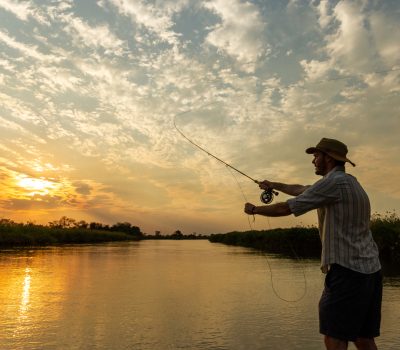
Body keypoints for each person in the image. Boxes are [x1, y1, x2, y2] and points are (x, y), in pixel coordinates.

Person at [244, 137, 382, 350]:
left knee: (334, 336)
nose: (313, 161)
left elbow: (286, 208)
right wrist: (274, 185)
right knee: (363, 338)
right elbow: (302, 189)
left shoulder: (333, 183)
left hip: (347, 270)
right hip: (371, 271)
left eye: (316, 156)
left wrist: (255, 210)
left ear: (328, 158)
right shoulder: (350, 182)